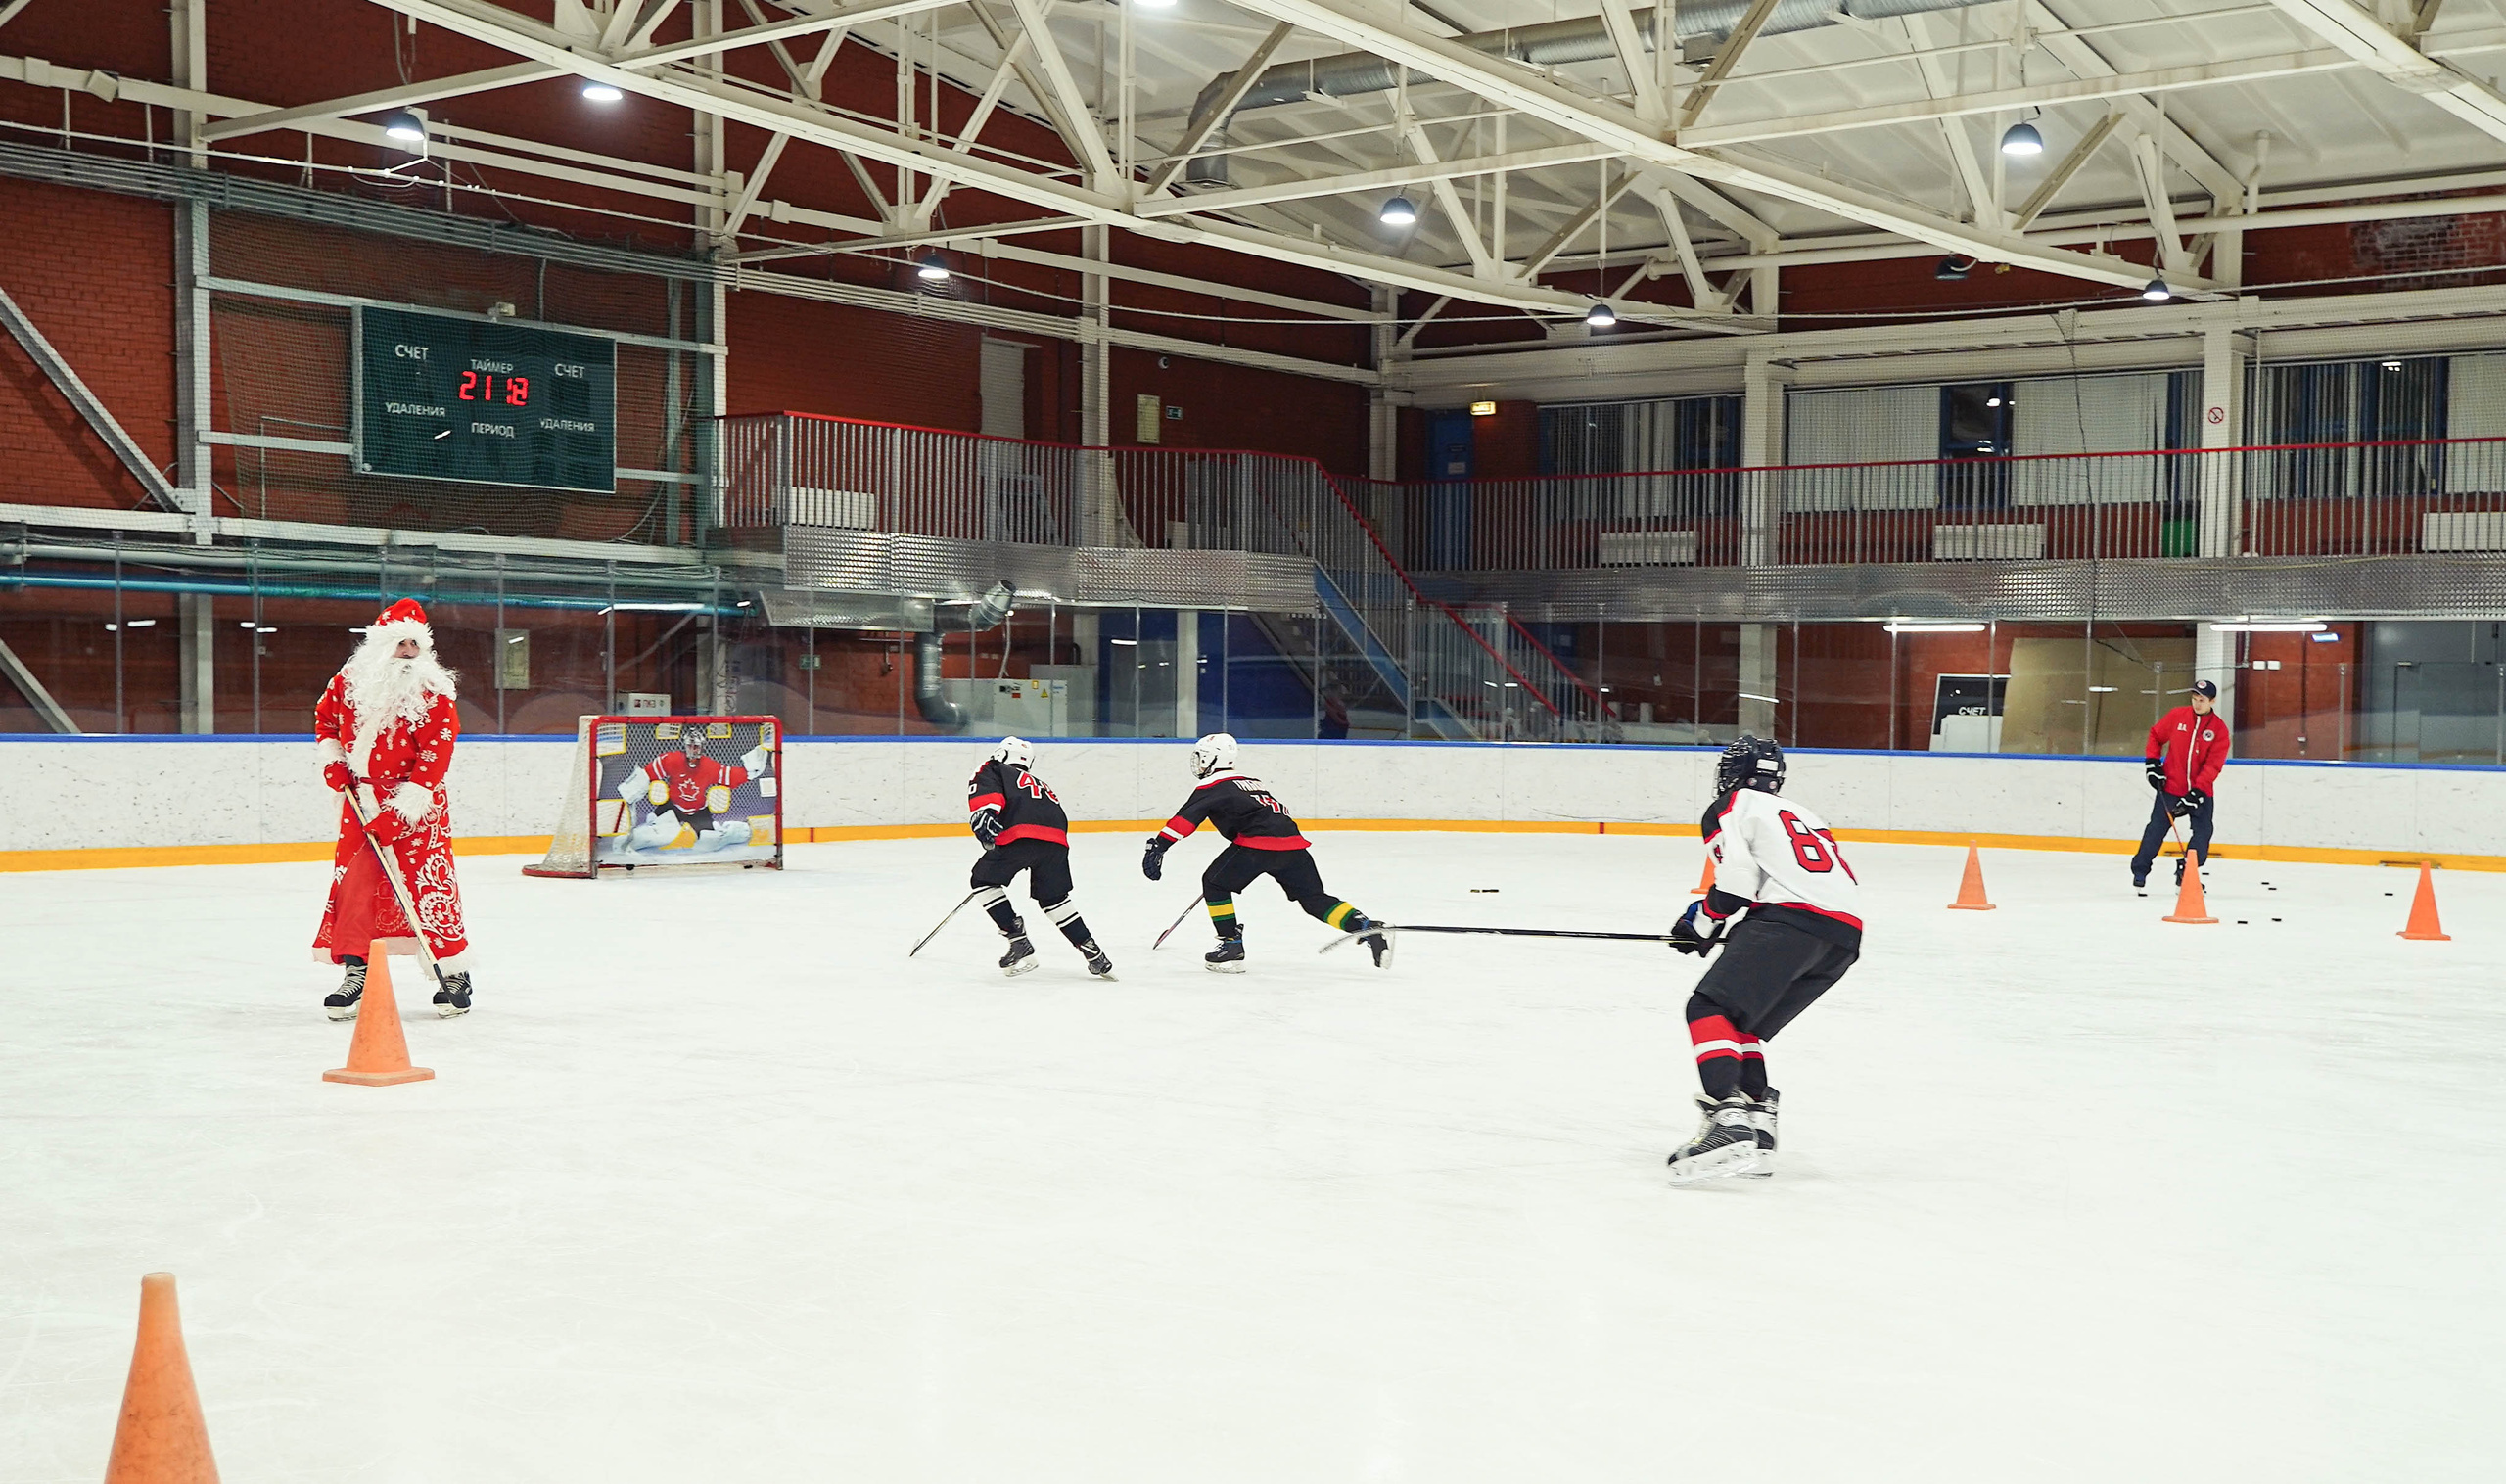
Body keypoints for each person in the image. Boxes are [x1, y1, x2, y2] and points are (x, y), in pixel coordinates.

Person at [1664, 735, 1863, 1184]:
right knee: (1740, 1024)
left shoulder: (1733, 805)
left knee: (1707, 1008)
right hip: (1842, 937)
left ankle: (1728, 1119)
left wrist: (1702, 919)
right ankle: (1757, 1122)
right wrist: (1715, 926)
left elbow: (1735, 883)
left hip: (1789, 922)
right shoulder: (1804, 814)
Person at [312, 598, 473, 1019]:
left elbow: (437, 751)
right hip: (360, 803)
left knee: (429, 886)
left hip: (417, 804)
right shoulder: (347, 681)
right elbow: (325, 721)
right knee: (356, 888)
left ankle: (452, 971)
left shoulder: (434, 688)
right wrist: (334, 761)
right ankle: (356, 971)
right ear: (379, 646)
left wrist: (403, 810)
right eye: (399, 643)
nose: (407, 651)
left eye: (414, 644)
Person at [1141, 732, 1389, 972]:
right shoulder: (1250, 782)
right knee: (1314, 899)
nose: (1198, 762)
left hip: (1257, 846)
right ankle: (1365, 926)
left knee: (1214, 884)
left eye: (1201, 756)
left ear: (1211, 758)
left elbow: (1186, 820)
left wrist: (1159, 846)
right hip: (1293, 845)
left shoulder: (1212, 785)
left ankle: (1230, 944)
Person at [966, 737, 1115, 979]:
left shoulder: (994, 767)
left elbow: (988, 795)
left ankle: (1017, 939)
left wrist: (985, 814)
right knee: (1054, 899)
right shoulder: (1040, 784)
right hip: (1056, 841)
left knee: (982, 881)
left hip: (1020, 835)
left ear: (1001, 754)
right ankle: (1094, 953)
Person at [2130, 679, 2231, 890]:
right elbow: (2156, 736)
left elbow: (2213, 766)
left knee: (2203, 835)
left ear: (2212, 701)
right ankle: (2140, 870)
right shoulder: (2177, 716)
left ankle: (2186, 871)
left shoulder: (2219, 731)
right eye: (2194, 699)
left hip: (2200, 793)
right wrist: (2152, 765)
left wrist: (2196, 793)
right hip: (2170, 789)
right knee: (2155, 831)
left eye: (2201, 700)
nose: (2196, 703)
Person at [620, 727, 773, 854]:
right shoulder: (671, 760)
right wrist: (631, 790)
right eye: (690, 746)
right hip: (672, 807)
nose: (693, 750)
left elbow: (730, 776)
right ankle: (631, 841)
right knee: (656, 835)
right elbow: (647, 774)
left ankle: (739, 829)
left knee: (710, 842)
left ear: (702, 747)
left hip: (699, 811)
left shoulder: (709, 766)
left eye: (697, 747)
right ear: (685, 746)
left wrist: (750, 772)